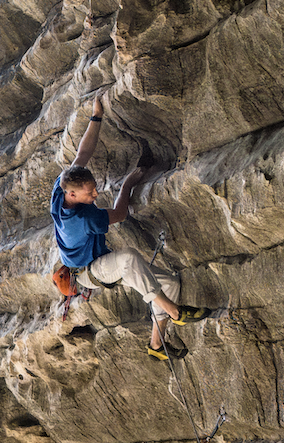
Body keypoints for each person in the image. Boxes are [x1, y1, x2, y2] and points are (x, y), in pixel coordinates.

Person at [52, 93, 210, 361]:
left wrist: (96, 115)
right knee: (128, 258)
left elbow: (83, 152)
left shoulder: (62, 189)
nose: (95, 195)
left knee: (169, 282)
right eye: (90, 193)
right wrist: (127, 184)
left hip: (97, 262)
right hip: (89, 272)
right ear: (74, 195)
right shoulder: (84, 219)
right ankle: (175, 312)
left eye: (95, 189)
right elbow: (121, 213)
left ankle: (156, 346)